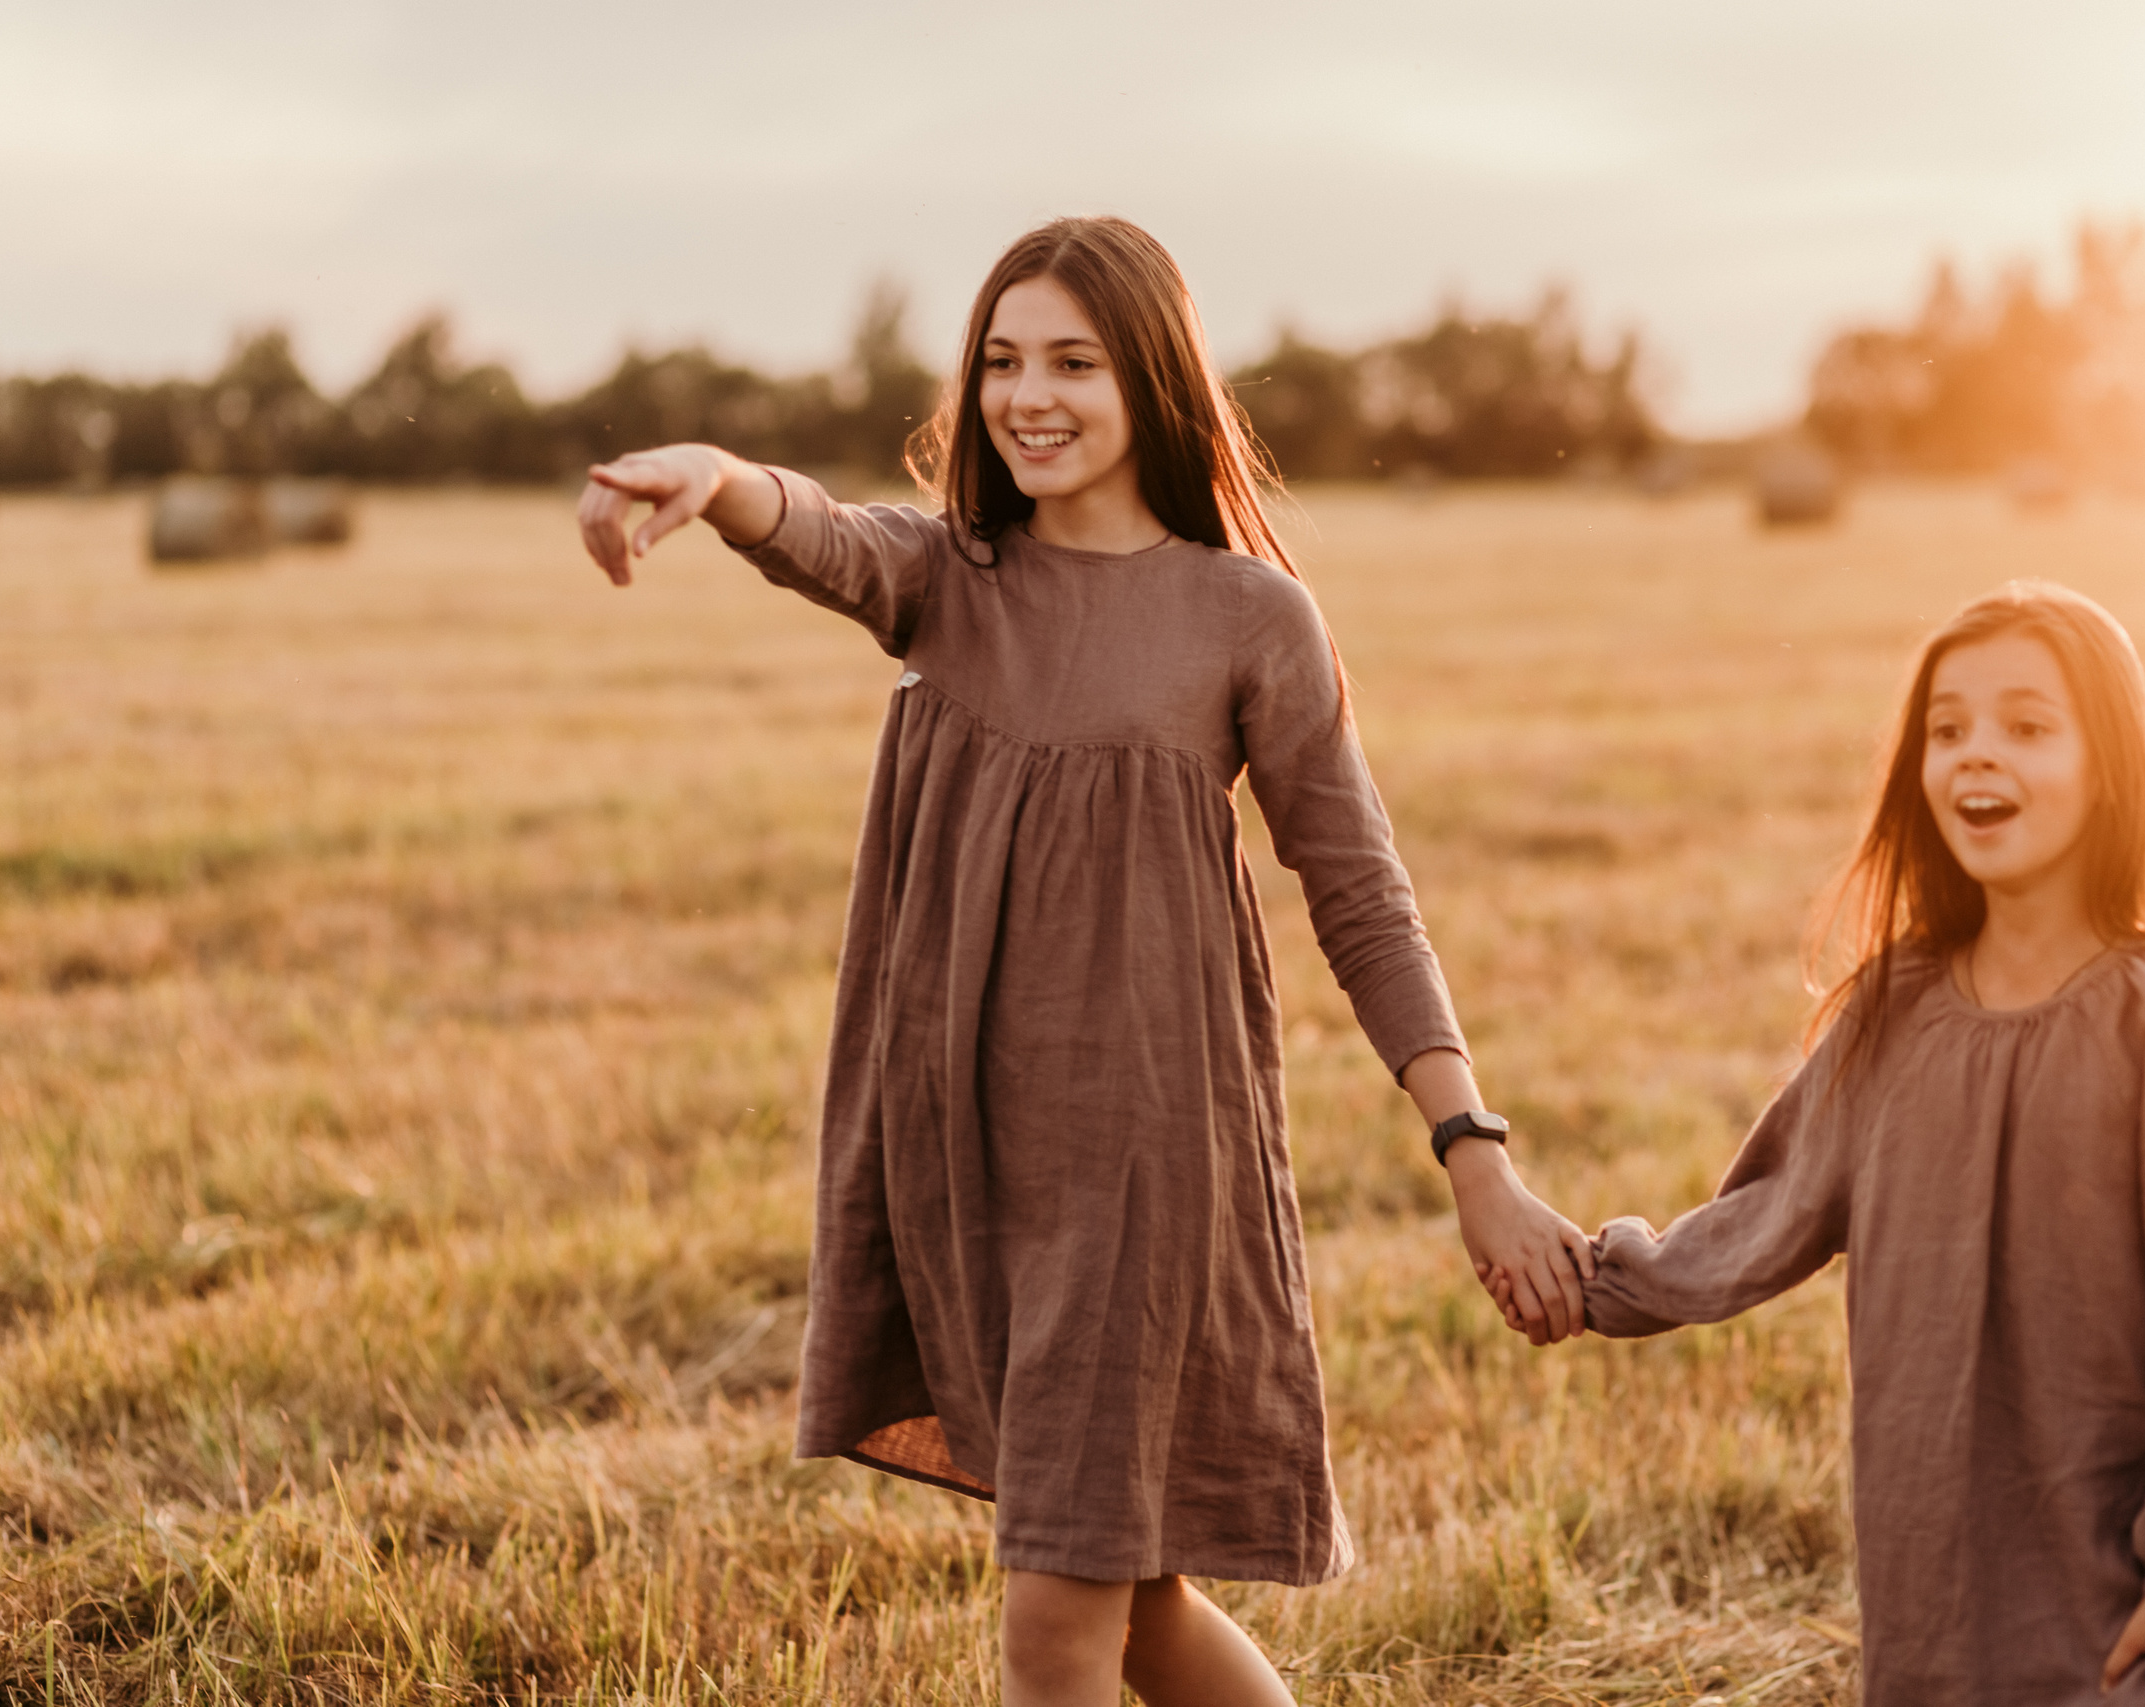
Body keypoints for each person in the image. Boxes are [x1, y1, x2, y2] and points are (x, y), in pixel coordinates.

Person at [575, 217, 1597, 1707]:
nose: (1026, 394)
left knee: (1056, 1626)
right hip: (968, 1162)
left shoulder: (1250, 617)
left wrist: (1472, 1146)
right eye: (1000, 359)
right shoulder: (951, 579)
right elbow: (826, 535)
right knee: (1139, 1603)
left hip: (1142, 1173)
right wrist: (718, 481)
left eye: (1072, 359)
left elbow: (1360, 889)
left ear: (1154, 379)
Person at [1513, 583, 2145, 1705]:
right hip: (1927, 1580)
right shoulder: (1893, 1009)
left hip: (2120, 1597)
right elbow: (1761, 1214)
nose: (1977, 755)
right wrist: (1592, 1282)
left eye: (2028, 727)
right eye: (1947, 730)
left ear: (2109, 763)